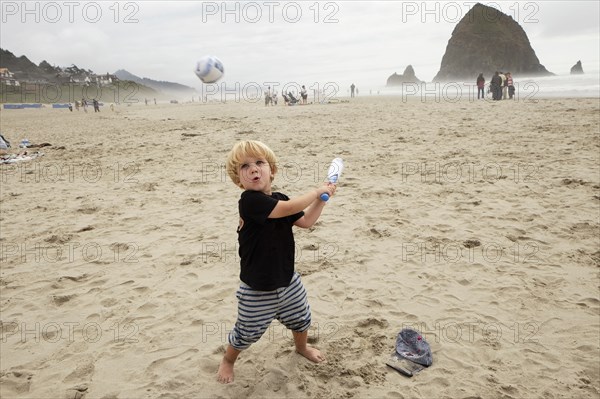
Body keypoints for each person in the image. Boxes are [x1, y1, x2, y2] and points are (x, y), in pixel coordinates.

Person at [217, 140, 336, 384]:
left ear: (272, 170)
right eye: (245, 166)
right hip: (256, 289)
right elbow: (288, 208)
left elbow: (305, 222)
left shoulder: (280, 199)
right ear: (239, 179)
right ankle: (228, 360)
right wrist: (315, 191)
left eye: (260, 163)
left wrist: (322, 200)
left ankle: (301, 348)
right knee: (246, 333)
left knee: (301, 318)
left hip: (288, 280)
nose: (253, 169)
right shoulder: (249, 202)